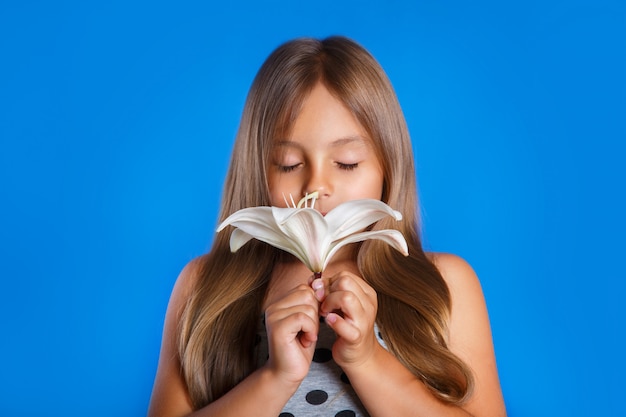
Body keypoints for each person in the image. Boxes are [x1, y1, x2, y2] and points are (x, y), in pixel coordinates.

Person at [148, 36, 506, 417]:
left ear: (388, 167)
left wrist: (367, 360)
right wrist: (275, 377)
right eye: (288, 163)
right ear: (257, 170)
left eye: (347, 162)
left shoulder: (444, 285)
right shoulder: (205, 286)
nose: (316, 187)